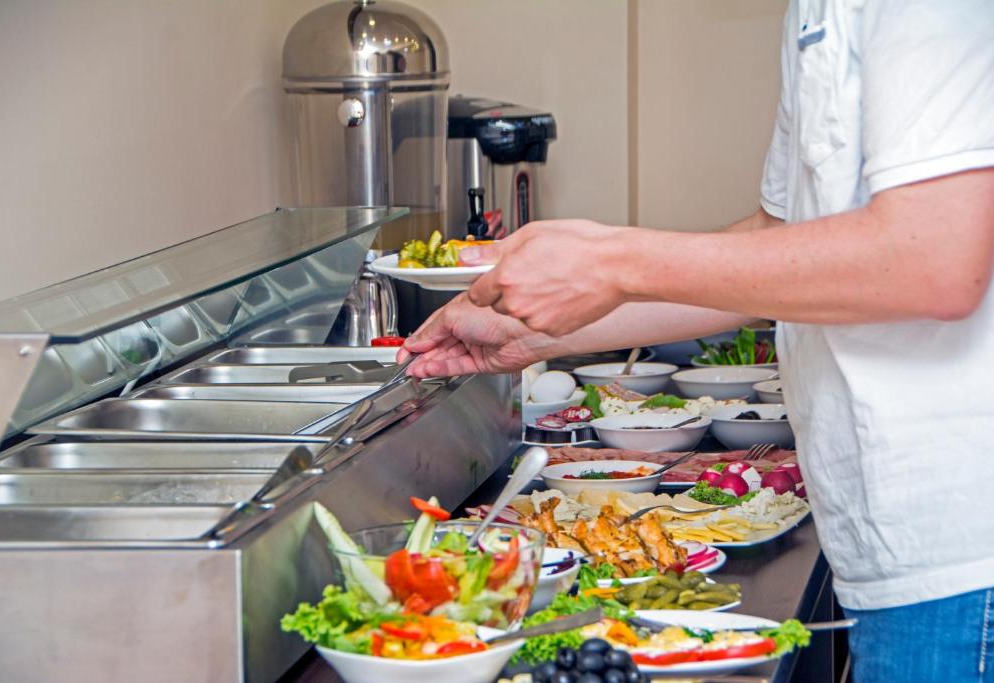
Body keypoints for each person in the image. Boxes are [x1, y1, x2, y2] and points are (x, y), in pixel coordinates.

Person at [400, 1, 994, 680]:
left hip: (962, 559)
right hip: (896, 553)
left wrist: (613, 261)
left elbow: (938, 260)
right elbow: (772, 247)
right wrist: (530, 331)